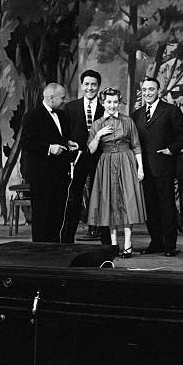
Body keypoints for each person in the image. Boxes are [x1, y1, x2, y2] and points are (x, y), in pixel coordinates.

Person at [131, 77, 183, 257]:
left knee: (167, 206)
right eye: (145, 90)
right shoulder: (136, 114)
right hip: (143, 170)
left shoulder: (170, 111)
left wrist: (171, 150)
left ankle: (170, 245)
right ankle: (156, 242)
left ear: (159, 91)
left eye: (151, 89)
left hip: (164, 167)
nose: (148, 93)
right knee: (150, 208)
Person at [87, 87, 146, 257]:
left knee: (127, 201)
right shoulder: (97, 124)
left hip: (126, 161)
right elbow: (90, 150)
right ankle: (113, 244)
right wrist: (98, 135)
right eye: (108, 102)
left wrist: (140, 167)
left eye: (115, 102)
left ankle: (127, 242)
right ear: (102, 103)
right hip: (106, 162)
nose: (112, 105)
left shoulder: (128, 121)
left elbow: (136, 145)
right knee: (109, 202)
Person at [20, 83, 78, 242]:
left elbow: (62, 139)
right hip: (41, 175)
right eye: (63, 97)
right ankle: (40, 250)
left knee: (57, 213)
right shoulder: (32, 116)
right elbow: (26, 143)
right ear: (51, 98)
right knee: (42, 214)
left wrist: (68, 144)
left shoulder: (61, 115)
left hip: (60, 174)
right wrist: (48, 148)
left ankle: (54, 248)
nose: (65, 100)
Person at [61, 69, 108, 244]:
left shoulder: (105, 109)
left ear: (98, 86)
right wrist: (67, 143)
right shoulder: (70, 107)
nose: (90, 88)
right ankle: (67, 239)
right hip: (77, 160)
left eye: (93, 84)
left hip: (100, 160)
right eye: (87, 84)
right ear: (82, 85)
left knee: (103, 198)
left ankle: (105, 240)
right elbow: (63, 133)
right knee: (73, 198)